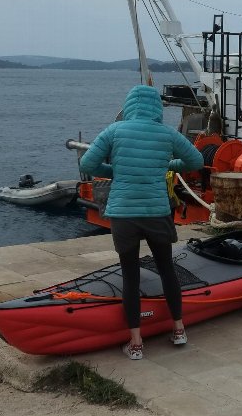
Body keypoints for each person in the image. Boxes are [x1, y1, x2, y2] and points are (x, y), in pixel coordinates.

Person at [79, 84, 205, 361]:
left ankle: (136, 343)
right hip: (156, 212)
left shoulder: (114, 131)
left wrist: (115, 171)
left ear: (129, 105)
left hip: (124, 214)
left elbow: (88, 164)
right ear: (157, 108)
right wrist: (168, 166)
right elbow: (195, 159)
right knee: (167, 270)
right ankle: (179, 329)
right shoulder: (167, 133)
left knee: (130, 275)